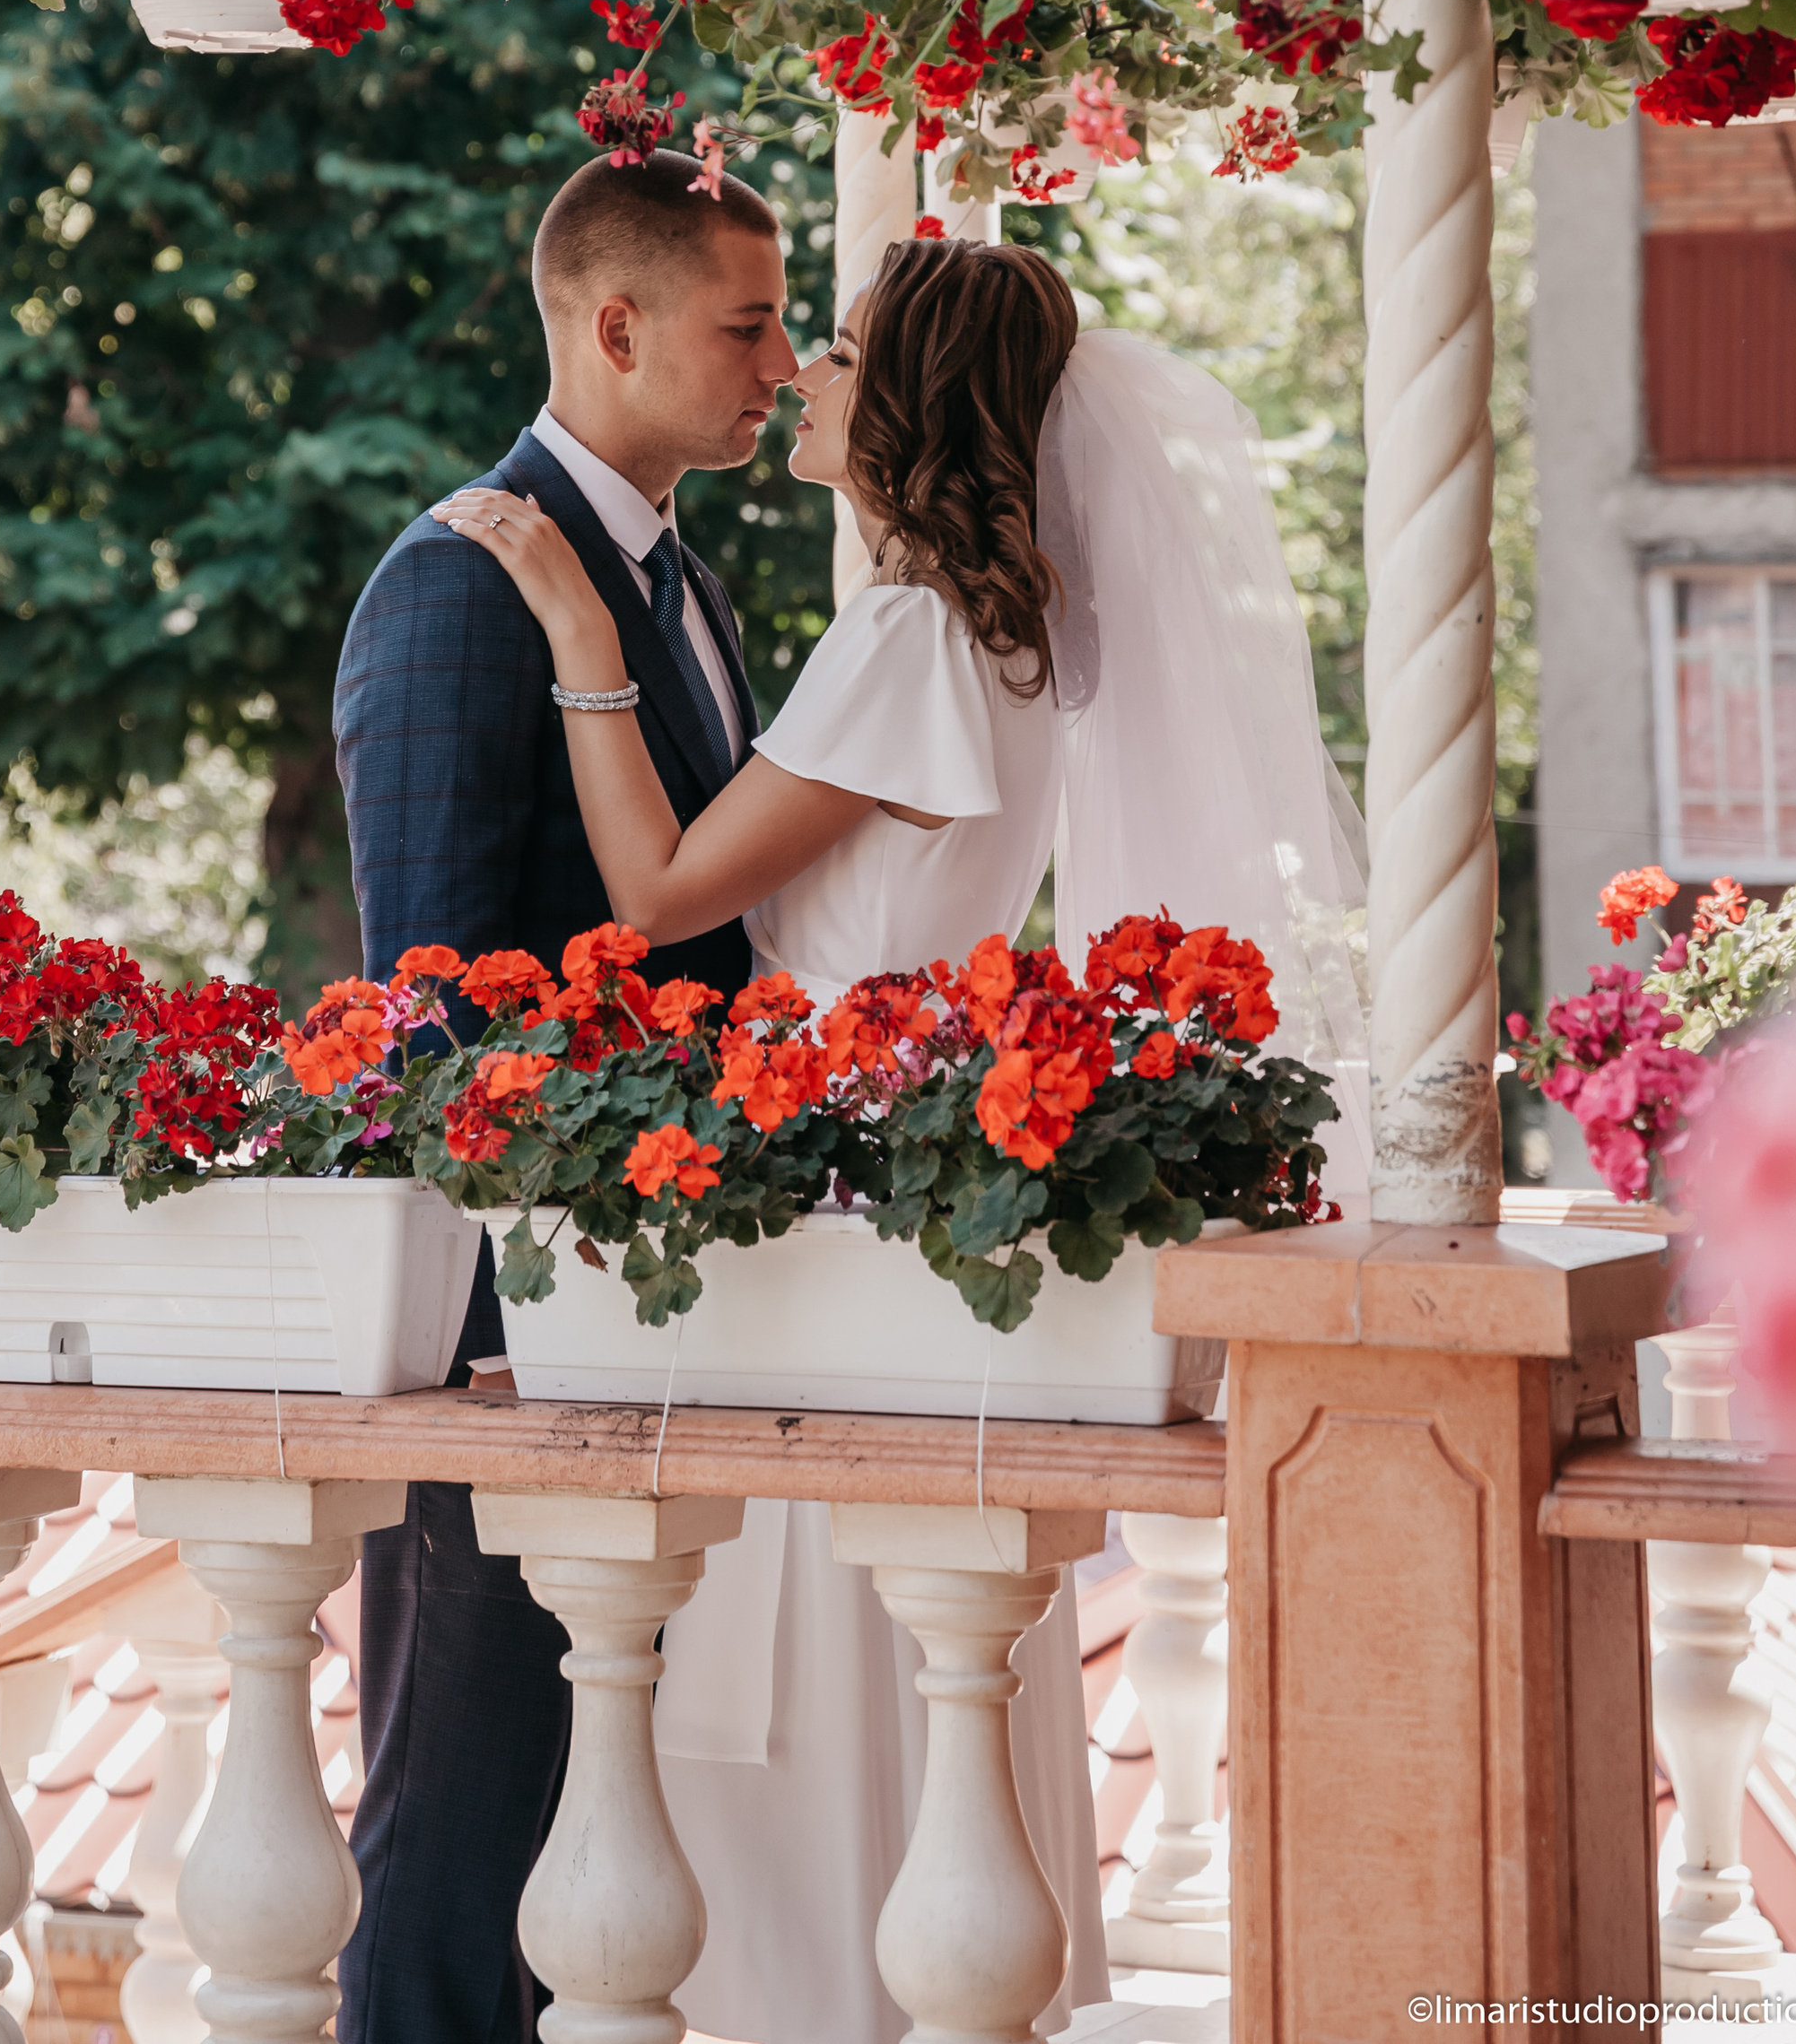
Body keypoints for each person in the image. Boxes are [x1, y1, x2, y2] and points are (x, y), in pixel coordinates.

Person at [437, 229, 1372, 2044]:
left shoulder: (904, 638)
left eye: (840, 350)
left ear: (911, 400)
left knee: (800, 1695)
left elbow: (649, 888)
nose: (800, 374)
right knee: (899, 1683)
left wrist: (571, 624)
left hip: (824, 1220)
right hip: (884, 1203)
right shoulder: (1005, 633)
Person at [331, 144, 797, 2044]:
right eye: (745, 325)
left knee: (561, 1843)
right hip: (503, 1325)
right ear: (613, 326)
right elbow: (434, 998)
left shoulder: (673, 583)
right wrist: (520, 1305)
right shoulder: (462, 583)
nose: (778, 364)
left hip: (638, 1303)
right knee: (453, 1837)